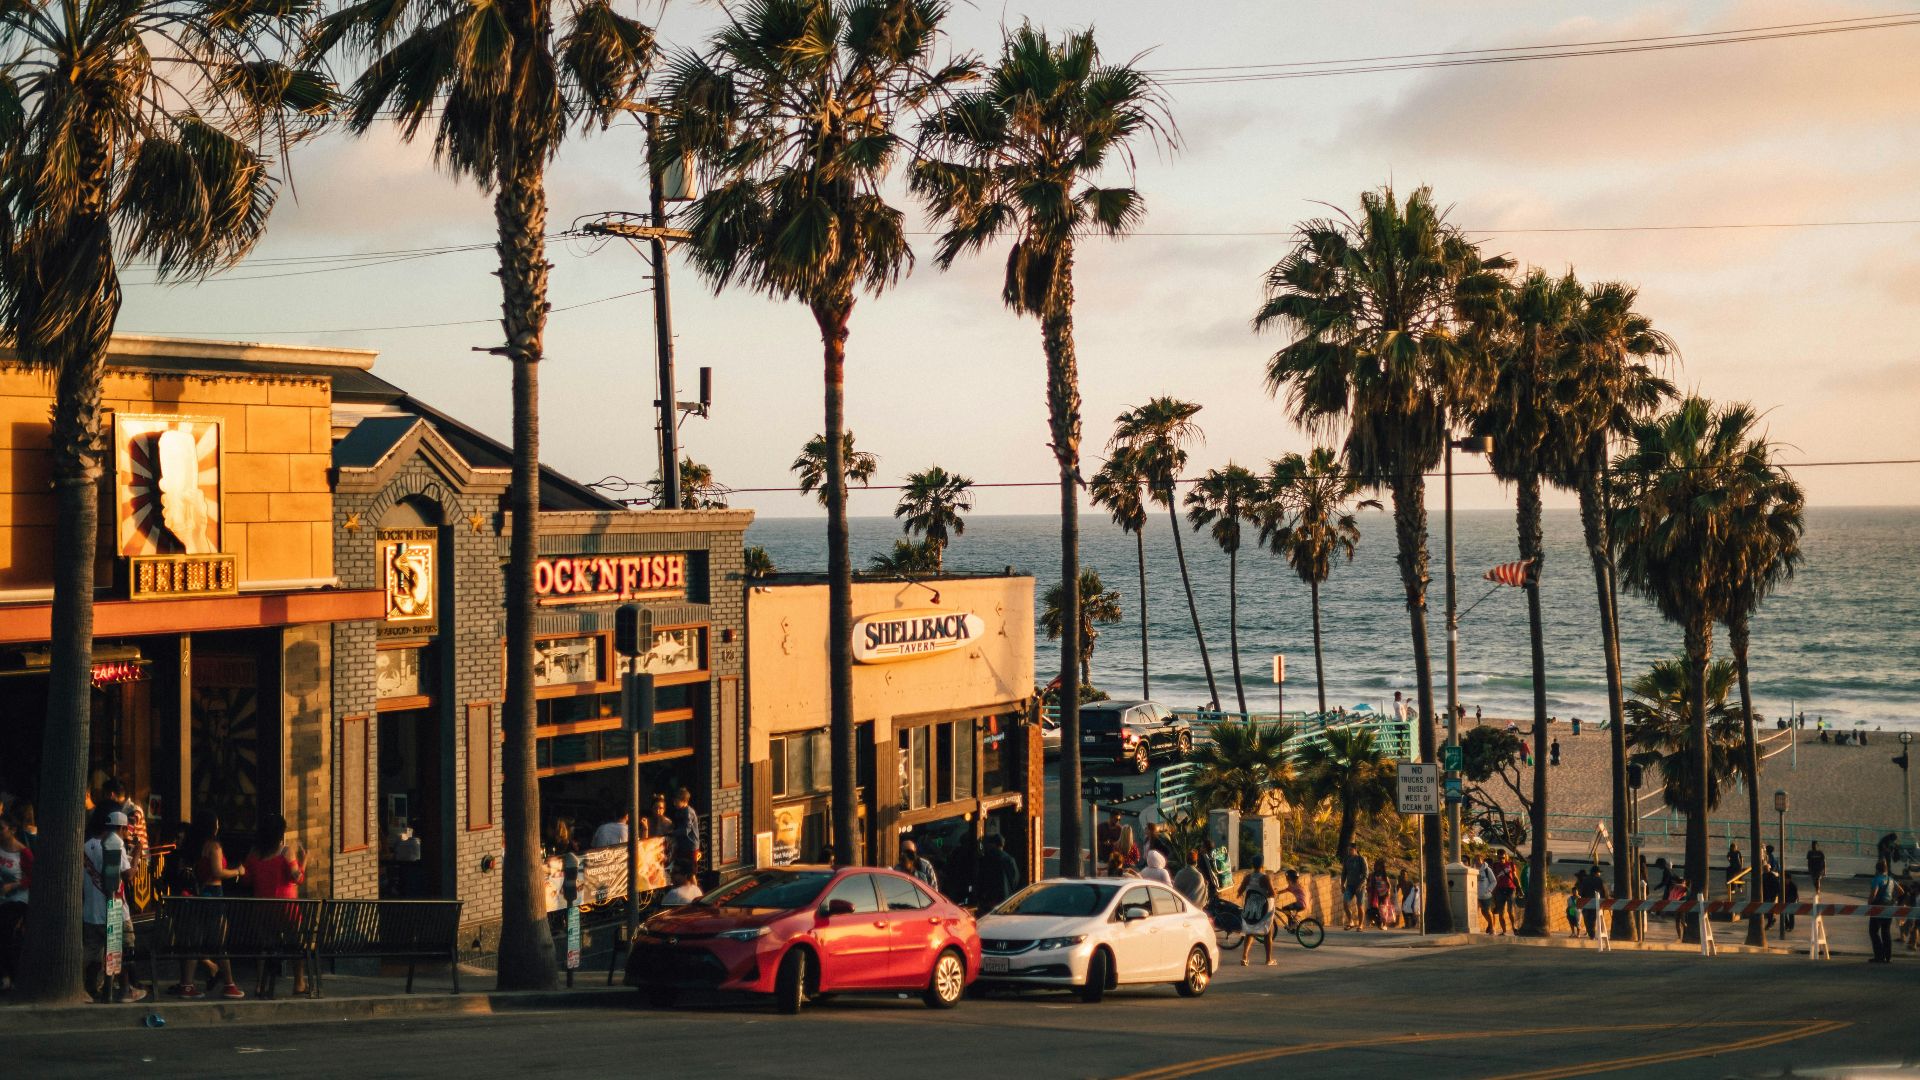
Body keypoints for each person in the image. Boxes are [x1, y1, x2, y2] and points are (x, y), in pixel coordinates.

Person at [178, 815, 244, 999]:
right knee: (220, 942)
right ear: (213, 827)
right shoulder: (214, 846)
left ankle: (187, 984)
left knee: (195, 941)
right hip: (214, 894)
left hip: (197, 895)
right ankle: (229, 984)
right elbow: (217, 872)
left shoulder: (193, 846)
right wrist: (237, 871)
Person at [243, 813, 308, 997]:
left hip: (262, 909)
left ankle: (260, 985)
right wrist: (304, 862)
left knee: (264, 946)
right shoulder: (286, 852)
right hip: (286, 908)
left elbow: (246, 880)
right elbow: (298, 878)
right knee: (295, 943)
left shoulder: (254, 854)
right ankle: (299, 983)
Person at [84, 812, 145, 1003]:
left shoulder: (86, 846)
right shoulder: (116, 843)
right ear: (122, 828)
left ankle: (92, 988)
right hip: (115, 909)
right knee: (123, 950)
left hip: (91, 912)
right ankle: (125, 990)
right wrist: (136, 855)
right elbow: (128, 875)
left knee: (93, 953)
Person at [0, 814, 30, 992]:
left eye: (1, 829)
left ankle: (10, 976)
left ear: (12, 830)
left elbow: (33, 877)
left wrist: (15, 885)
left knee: (7, 934)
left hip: (17, 900)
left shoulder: (23, 852)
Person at [1239, 857, 1277, 967]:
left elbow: (1240, 891)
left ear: (1252, 865)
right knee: (1268, 933)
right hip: (1264, 909)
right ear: (1262, 866)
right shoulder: (1265, 878)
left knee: (1249, 932)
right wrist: (1274, 891)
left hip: (1250, 908)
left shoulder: (1248, 877)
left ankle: (1244, 957)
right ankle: (1268, 959)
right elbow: (1272, 893)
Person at [971, 834, 1020, 913]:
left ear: (993, 844)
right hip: (1005, 898)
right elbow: (1015, 879)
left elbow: (981, 878)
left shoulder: (986, 859)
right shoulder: (1009, 859)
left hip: (989, 898)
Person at [1867, 859, 1895, 963]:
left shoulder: (1876, 879)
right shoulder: (1891, 879)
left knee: (1873, 931)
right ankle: (1888, 956)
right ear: (1886, 869)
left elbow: (1874, 893)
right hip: (1889, 908)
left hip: (1878, 908)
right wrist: (1893, 899)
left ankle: (1879, 955)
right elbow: (1901, 891)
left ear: (1877, 869)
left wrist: (1869, 903)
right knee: (1886, 931)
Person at [667, 788, 700, 865]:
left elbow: (686, 830)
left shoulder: (688, 812)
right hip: (683, 845)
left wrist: (673, 833)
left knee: (690, 870)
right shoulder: (679, 811)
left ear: (684, 801)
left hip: (690, 845)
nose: (674, 803)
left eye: (676, 801)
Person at [1575, 862, 1608, 938]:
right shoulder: (1599, 880)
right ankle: (1592, 934)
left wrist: (1582, 899)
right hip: (1596, 902)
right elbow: (1604, 891)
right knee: (1593, 918)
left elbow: (1581, 891)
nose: (1600, 874)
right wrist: (1606, 899)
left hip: (1586, 902)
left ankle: (1591, 933)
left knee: (1587, 918)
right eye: (1599, 873)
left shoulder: (1585, 880)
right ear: (1597, 873)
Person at [1340, 849, 1368, 931]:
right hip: (1350, 886)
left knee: (1359, 905)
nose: (1349, 851)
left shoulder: (1361, 859)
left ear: (1355, 850)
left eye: (1351, 849)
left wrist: (1361, 885)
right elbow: (1343, 873)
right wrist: (1342, 884)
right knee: (1345, 903)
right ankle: (1350, 921)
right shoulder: (1347, 860)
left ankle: (1360, 925)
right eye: (1348, 849)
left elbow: (1366, 874)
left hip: (1360, 886)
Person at [1367, 859, 1395, 929]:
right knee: (1375, 909)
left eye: (1377, 865)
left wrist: (1388, 892)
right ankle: (1378, 922)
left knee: (1383, 909)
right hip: (1375, 894)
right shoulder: (1372, 875)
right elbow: (1369, 883)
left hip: (1383, 894)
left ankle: (1384, 924)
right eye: (1375, 865)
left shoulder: (1384, 875)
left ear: (1381, 867)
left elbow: (1388, 885)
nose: (1375, 866)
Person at [1476, 854, 1496, 933]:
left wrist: (1488, 890)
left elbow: (1494, 881)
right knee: (1483, 912)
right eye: (1475, 860)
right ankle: (1490, 925)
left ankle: (1492, 928)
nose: (1477, 862)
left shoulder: (1487, 870)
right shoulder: (1473, 869)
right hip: (1477, 895)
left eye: (1478, 860)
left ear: (1482, 860)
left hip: (1486, 895)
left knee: (1487, 911)